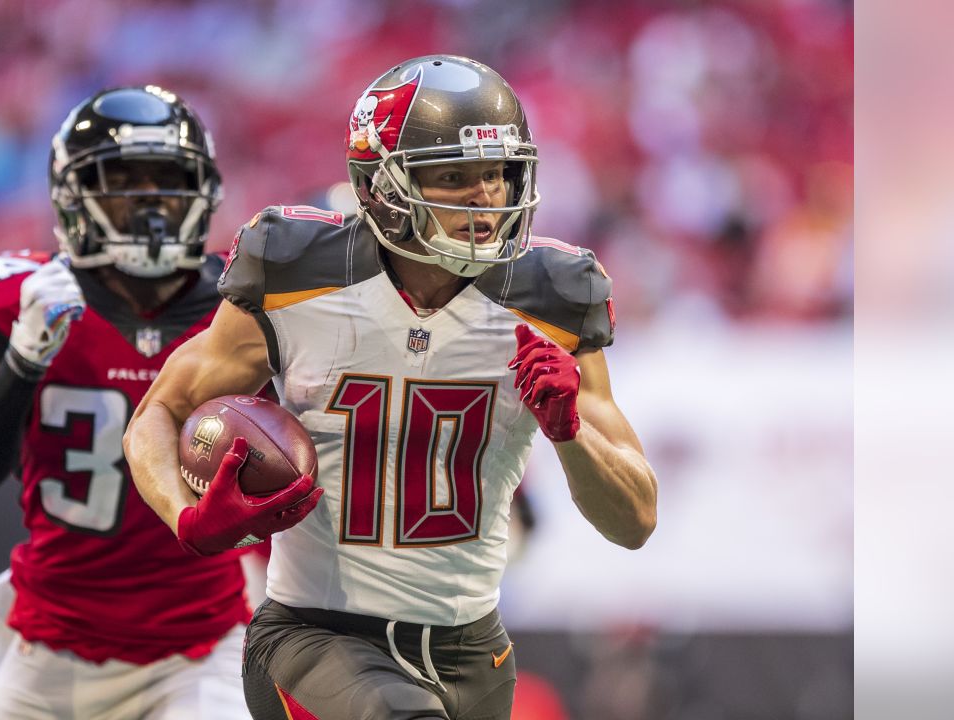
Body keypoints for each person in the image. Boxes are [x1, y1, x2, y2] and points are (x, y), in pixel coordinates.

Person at [124, 55, 658, 720]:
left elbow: (635, 520)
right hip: (315, 636)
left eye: (495, 172)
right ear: (381, 183)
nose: (486, 196)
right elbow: (160, 411)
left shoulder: (556, 295)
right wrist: (184, 514)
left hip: (473, 653)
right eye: (455, 176)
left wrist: (570, 433)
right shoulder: (294, 270)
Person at [0, 86, 307, 720]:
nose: (150, 200)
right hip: (47, 639)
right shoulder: (19, 297)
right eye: (123, 179)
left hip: (199, 645)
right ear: (74, 196)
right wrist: (23, 362)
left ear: (203, 190)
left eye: (168, 179)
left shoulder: (242, 309)